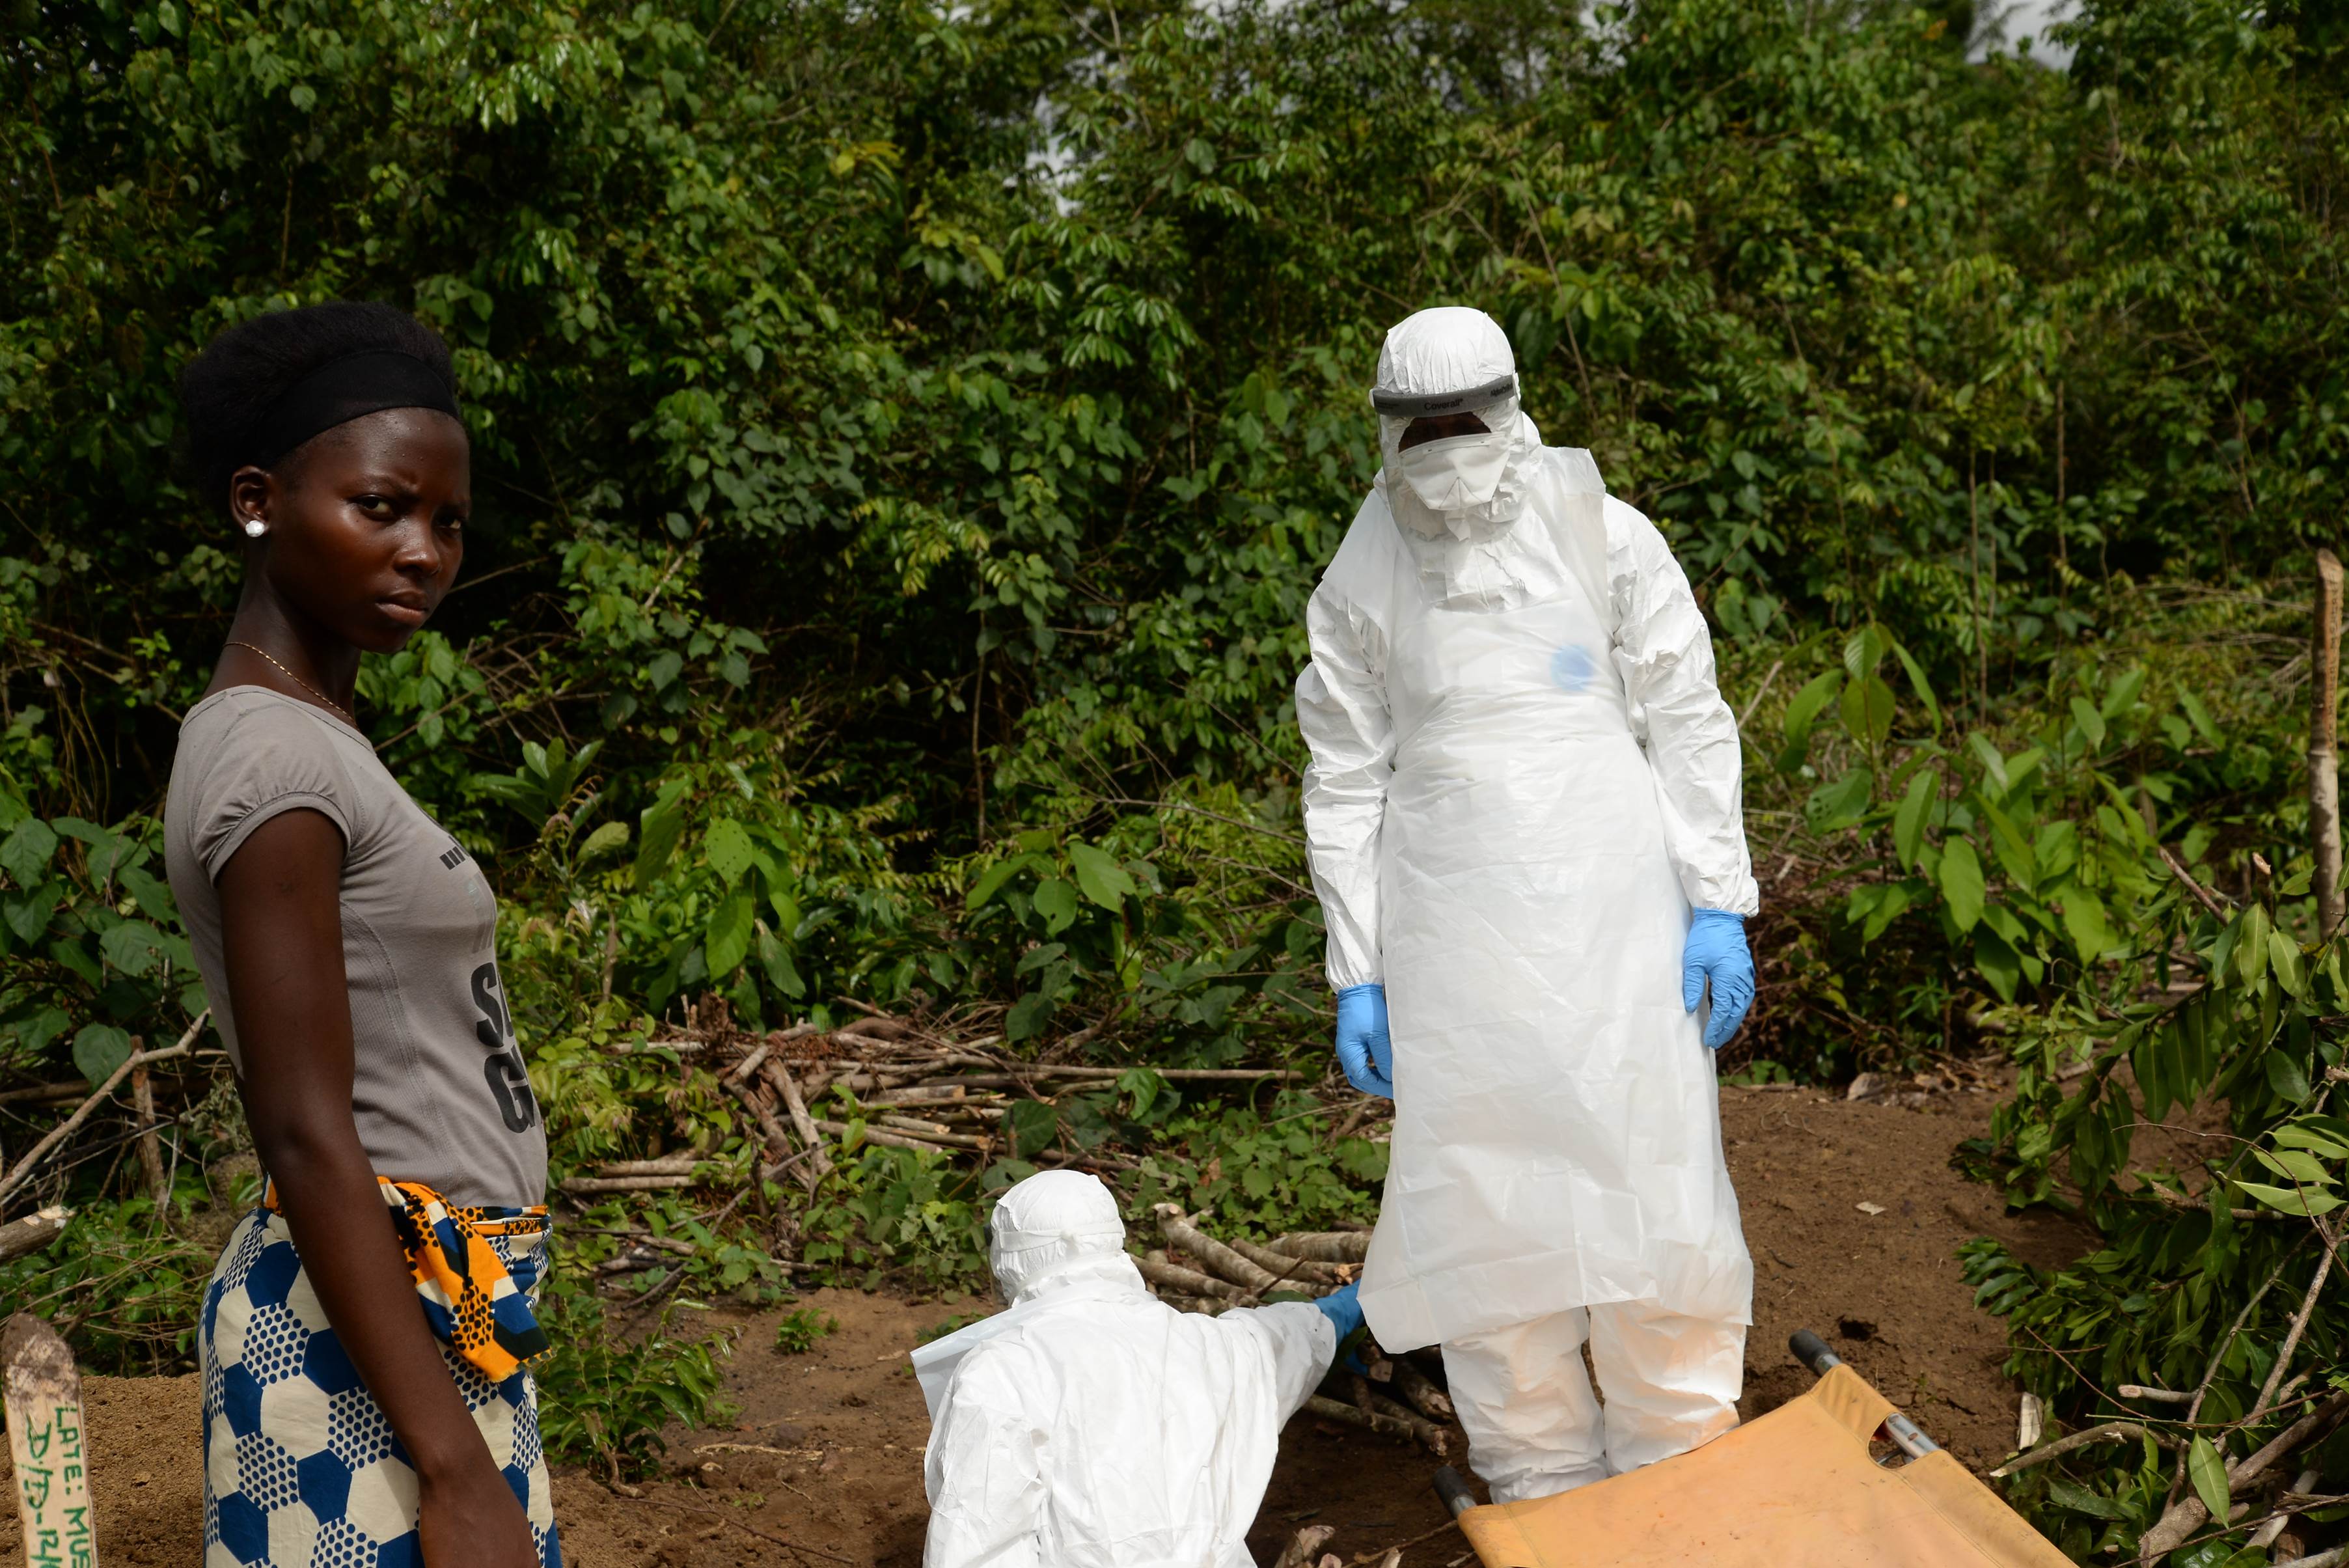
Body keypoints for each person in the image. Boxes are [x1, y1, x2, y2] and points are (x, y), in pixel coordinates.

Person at [1293, 306, 1758, 1504]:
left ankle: (1674, 1450)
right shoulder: (1359, 579)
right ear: (1386, 431)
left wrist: (1714, 898)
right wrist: (1357, 966)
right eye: (1421, 426)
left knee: (1646, 1159)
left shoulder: (1603, 534)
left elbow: (1685, 711)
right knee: (1482, 1187)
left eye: (1465, 419)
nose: (1446, 445)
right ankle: (1538, 1468)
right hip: (1449, 924)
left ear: (1510, 407)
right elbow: (1342, 771)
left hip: (1616, 910)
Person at [164, 303, 558, 1568]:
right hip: (347, 1338)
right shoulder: (275, 761)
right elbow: (304, 1125)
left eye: (446, 521)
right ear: (257, 500)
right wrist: (450, 1467)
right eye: (381, 505)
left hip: (420, 1321)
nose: (422, 550)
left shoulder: (311, 743)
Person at [915, 1170, 1363, 1567]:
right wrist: (1349, 1307)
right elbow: (1285, 1337)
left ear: (1012, 1259)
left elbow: (975, 1537)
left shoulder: (1003, 1368)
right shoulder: (1205, 1342)